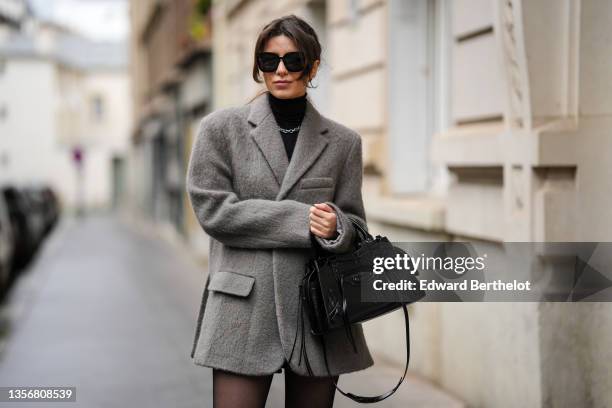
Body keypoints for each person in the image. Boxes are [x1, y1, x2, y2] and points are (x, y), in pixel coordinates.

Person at [186, 14, 373, 408]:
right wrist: (301, 221)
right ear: (258, 67)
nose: (281, 70)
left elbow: (355, 224)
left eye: (294, 61)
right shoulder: (220, 130)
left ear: (314, 66)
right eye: (269, 61)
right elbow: (214, 210)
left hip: (317, 314)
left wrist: (337, 228)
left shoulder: (343, 143)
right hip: (242, 309)